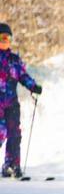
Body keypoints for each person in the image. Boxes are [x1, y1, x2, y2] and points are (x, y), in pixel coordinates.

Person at [0, 23, 42, 178]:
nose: (5, 41)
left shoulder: (14, 60)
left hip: (11, 103)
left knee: (14, 134)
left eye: (7, 38)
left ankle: (11, 165)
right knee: (1, 132)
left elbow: (22, 76)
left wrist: (33, 87)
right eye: (1, 38)